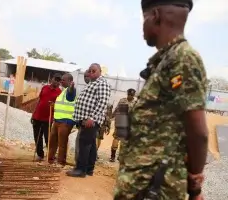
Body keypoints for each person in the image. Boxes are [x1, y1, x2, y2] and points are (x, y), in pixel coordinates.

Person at [114, 0, 208, 199]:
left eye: (144, 19)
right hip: (142, 186)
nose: (142, 27)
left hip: (156, 188)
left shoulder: (183, 58)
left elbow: (198, 131)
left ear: (155, 16)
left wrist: (195, 187)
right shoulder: (165, 61)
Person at [67, 63, 111, 177]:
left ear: (100, 71)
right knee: (90, 145)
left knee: (84, 144)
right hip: (86, 119)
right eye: (90, 71)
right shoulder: (93, 83)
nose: (91, 73)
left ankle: (80, 170)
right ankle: (89, 169)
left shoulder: (102, 84)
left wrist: (92, 118)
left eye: (94, 71)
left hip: (90, 120)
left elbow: (102, 103)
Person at [31, 73, 62, 161]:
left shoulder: (59, 92)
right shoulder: (44, 88)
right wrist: (33, 114)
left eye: (58, 80)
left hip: (48, 118)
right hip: (37, 116)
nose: (56, 82)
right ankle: (40, 155)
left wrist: (54, 105)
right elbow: (39, 100)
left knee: (48, 138)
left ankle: (51, 155)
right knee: (37, 137)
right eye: (55, 79)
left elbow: (59, 106)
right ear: (52, 79)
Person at [48, 73, 76, 166]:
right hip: (57, 121)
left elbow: (70, 96)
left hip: (66, 122)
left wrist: (71, 87)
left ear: (70, 81)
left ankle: (61, 162)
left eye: (63, 80)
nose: (61, 81)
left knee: (62, 143)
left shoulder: (70, 91)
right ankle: (50, 159)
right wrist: (54, 105)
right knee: (52, 141)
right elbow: (63, 104)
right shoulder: (63, 92)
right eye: (61, 80)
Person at [110, 88, 137, 162]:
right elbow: (116, 109)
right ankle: (113, 156)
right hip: (120, 121)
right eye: (129, 94)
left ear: (134, 95)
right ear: (127, 94)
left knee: (124, 140)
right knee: (116, 138)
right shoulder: (123, 100)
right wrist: (112, 116)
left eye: (131, 95)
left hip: (128, 123)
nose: (130, 96)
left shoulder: (135, 102)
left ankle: (120, 156)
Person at [75, 70, 90, 163]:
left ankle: (80, 164)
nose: (85, 78)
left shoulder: (93, 89)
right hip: (82, 121)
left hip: (88, 122)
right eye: (84, 76)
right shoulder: (85, 88)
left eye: (87, 76)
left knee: (82, 143)